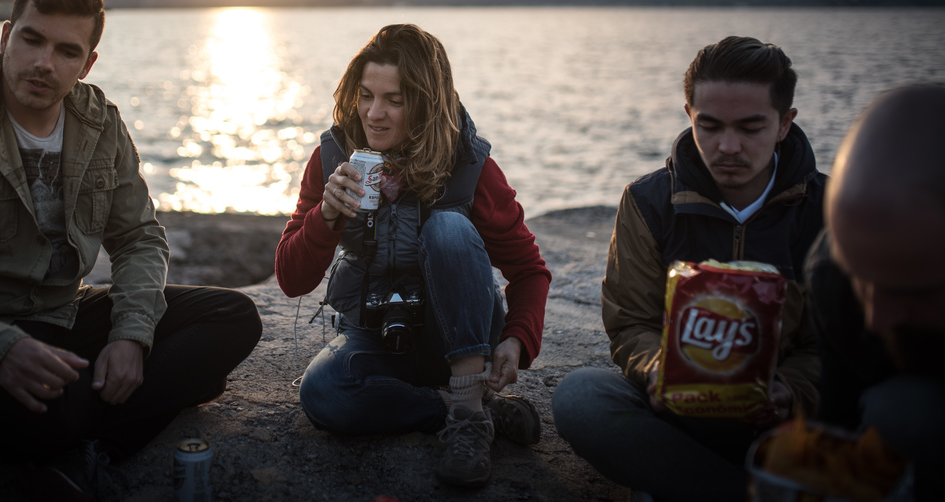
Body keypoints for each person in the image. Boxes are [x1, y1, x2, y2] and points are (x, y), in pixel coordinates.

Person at [0, 0, 262, 500]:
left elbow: (140, 237)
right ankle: (102, 434)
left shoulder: (99, 123)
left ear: (88, 63)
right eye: (32, 39)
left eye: (66, 51)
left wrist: (130, 335)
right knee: (39, 415)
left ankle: (73, 443)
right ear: (7, 34)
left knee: (233, 318)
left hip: (64, 314)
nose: (43, 63)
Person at [275, 24, 551, 488]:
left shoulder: (470, 166)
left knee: (448, 226)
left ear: (424, 104)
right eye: (365, 95)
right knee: (324, 392)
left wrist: (518, 339)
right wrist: (324, 216)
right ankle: (468, 411)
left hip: (463, 337)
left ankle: (468, 411)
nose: (374, 114)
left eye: (394, 100)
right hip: (377, 337)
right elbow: (291, 279)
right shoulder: (332, 158)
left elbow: (529, 271)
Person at [552, 36, 826, 502]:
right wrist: (657, 369)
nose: (728, 146)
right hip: (679, 414)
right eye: (710, 126)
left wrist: (792, 390)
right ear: (689, 116)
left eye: (751, 127)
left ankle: (679, 483)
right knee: (580, 398)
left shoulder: (828, 211)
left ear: (785, 124)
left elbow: (838, 345)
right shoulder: (648, 201)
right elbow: (631, 323)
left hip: (785, 420)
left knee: (900, 409)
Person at [806, 83, 945, 500]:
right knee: (903, 412)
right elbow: (840, 419)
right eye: (861, 281)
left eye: (909, 292)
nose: (876, 318)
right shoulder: (831, 272)